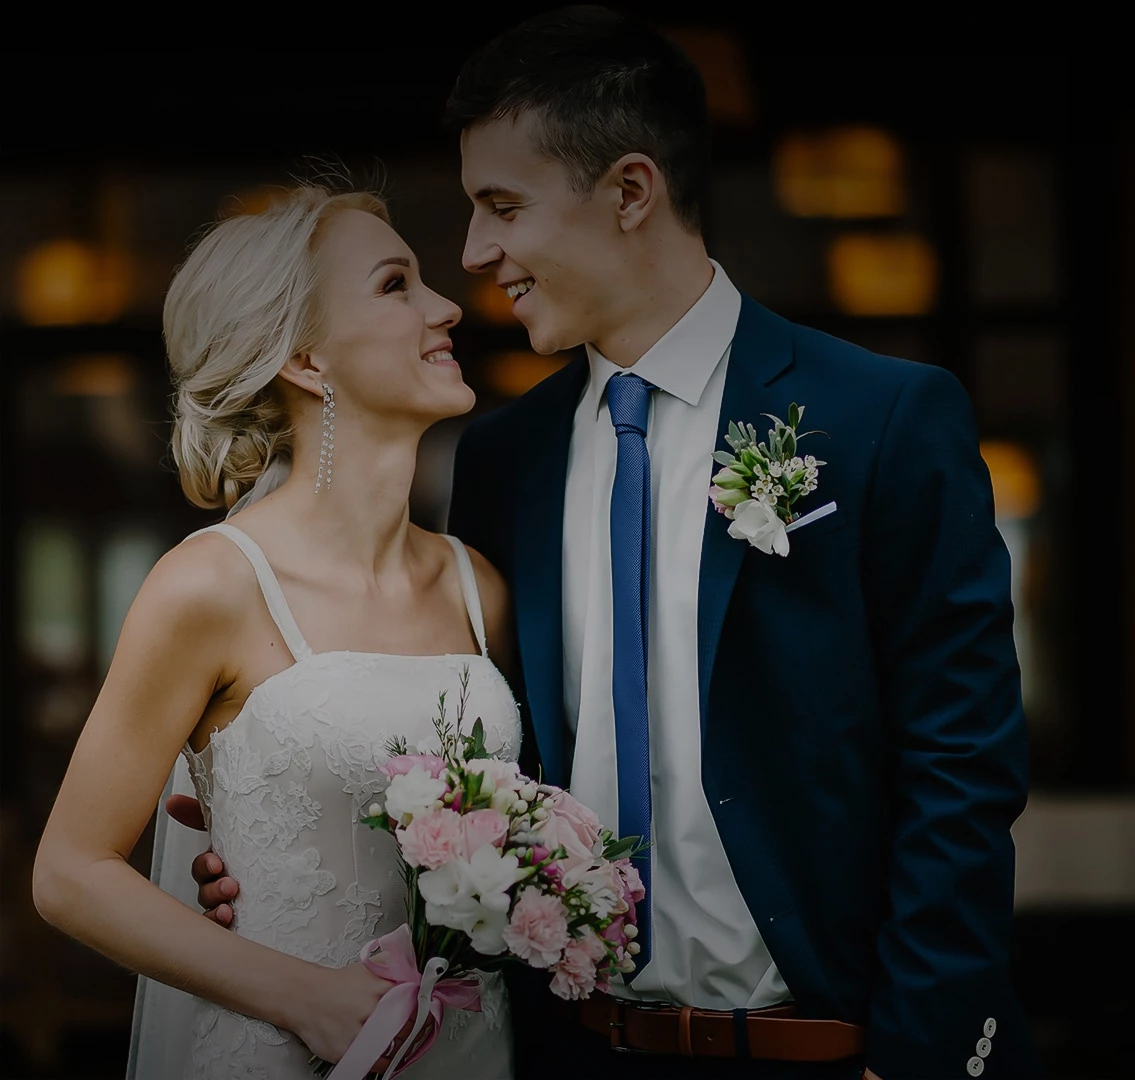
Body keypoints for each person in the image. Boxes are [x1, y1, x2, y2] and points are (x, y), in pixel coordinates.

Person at [181, 7, 1039, 1078]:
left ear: (631, 192)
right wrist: (266, 846)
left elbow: (960, 765)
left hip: (835, 1046)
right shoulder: (501, 463)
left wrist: (912, 1056)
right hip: (569, 1053)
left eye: (502, 206)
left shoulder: (880, 420)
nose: (475, 252)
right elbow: (469, 763)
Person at [33, 185, 520, 1078]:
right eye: (395, 284)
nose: (447, 305)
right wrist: (310, 999)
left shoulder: (476, 586)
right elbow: (70, 873)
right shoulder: (211, 584)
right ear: (305, 357)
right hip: (288, 1050)